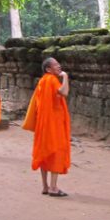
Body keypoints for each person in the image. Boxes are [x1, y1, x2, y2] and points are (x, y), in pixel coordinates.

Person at [29, 57, 71, 197]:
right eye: (56, 65)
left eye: (59, 64)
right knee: (56, 151)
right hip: (54, 123)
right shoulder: (52, 80)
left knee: (44, 152)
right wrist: (65, 77)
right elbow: (64, 92)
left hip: (44, 124)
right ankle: (53, 187)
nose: (59, 66)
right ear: (48, 69)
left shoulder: (42, 81)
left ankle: (45, 186)